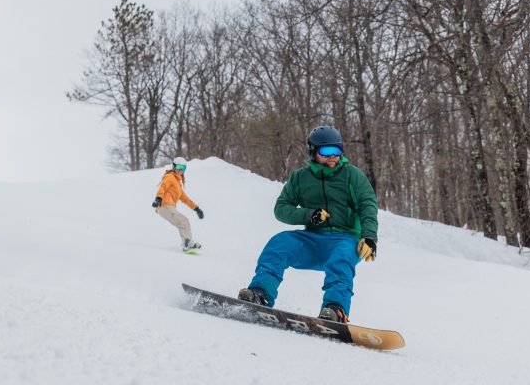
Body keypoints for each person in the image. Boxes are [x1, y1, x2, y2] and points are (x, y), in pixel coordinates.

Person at [238, 125, 378, 322]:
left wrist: (370, 236)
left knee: (341, 258)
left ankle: (335, 309)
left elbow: (368, 205)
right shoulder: (300, 178)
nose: (333, 157)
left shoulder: (352, 175)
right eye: (327, 151)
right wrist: (308, 215)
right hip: (312, 240)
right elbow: (281, 209)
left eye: (337, 151)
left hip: (344, 239)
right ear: (313, 151)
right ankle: (260, 293)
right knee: (280, 243)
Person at [152, 157, 205, 252]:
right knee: (183, 221)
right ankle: (187, 243)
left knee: (183, 222)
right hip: (164, 205)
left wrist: (196, 209)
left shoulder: (178, 184)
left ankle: (187, 242)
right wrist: (158, 198)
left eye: (183, 168)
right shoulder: (170, 177)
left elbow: (185, 199)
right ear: (174, 166)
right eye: (179, 167)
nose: (180, 170)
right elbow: (163, 187)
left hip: (169, 207)